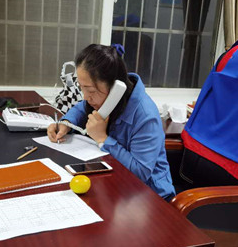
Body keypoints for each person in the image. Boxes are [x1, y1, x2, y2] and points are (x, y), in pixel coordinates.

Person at [48, 44, 175, 201]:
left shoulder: (146, 116)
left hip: (150, 196)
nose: (86, 97)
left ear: (116, 89)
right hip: (114, 184)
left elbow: (140, 172)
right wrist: (66, 123)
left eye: (91, 90)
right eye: (82, 88)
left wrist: (103, 139)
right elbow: (82, 108)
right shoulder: (101, 99)